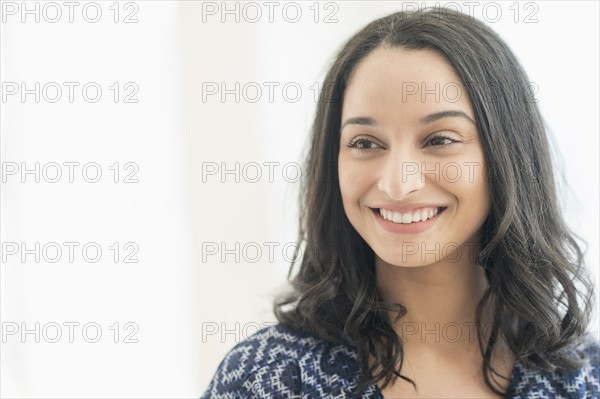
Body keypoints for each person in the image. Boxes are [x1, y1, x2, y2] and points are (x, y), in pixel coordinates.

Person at [200, 8, 599, 398]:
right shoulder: (268, 377)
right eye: (365, 143)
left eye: (439, 139)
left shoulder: (586, 378)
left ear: (507, 154)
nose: (397, 184)